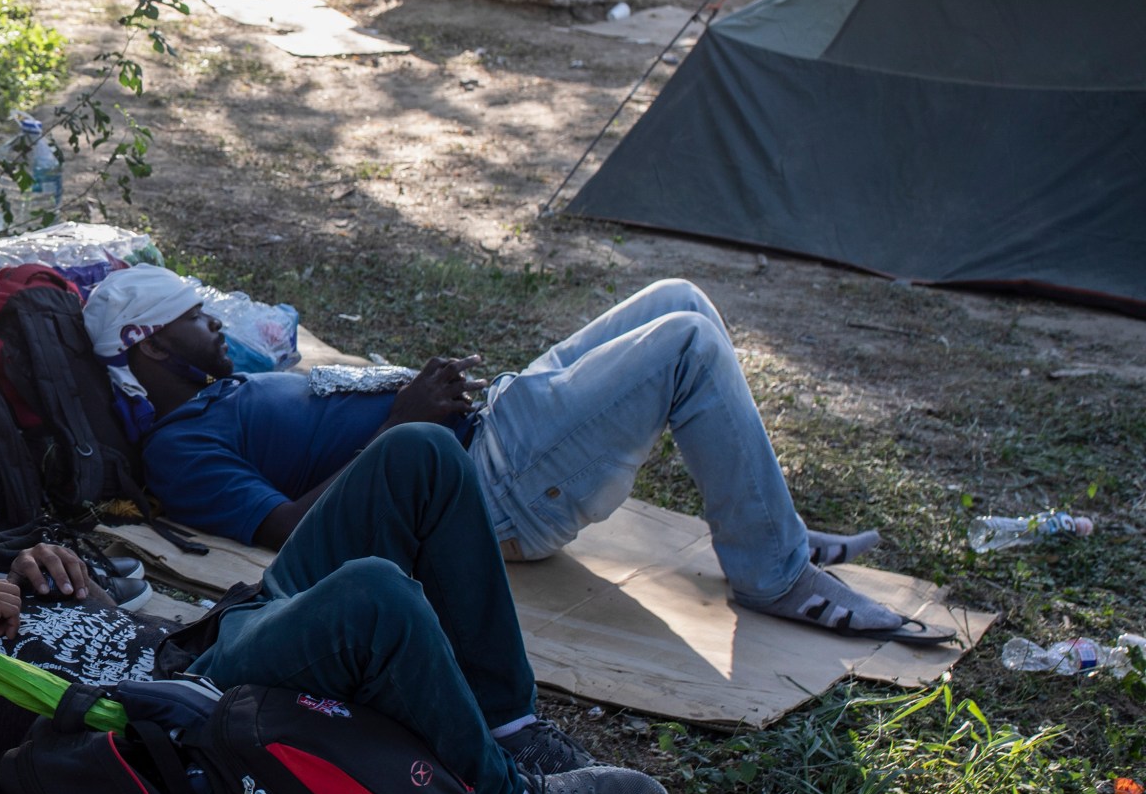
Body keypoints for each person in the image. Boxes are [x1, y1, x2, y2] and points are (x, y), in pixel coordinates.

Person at [0, 428, 670, 794]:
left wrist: (55, 577)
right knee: (375, 598)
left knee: (417, 456)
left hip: (203, 641)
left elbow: (73, 613)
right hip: (174, 723)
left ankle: (506, 729)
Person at [87, 268, 948, 645]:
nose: (217, 325)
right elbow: (288, 532)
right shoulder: (181, 449)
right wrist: (403, 424)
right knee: (684, 341)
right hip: (486, 489)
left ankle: (771, 525)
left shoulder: (221, 392)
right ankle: (773, 573)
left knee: (679, 297)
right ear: (146, 345)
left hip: (491, 425)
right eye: (194, 319)